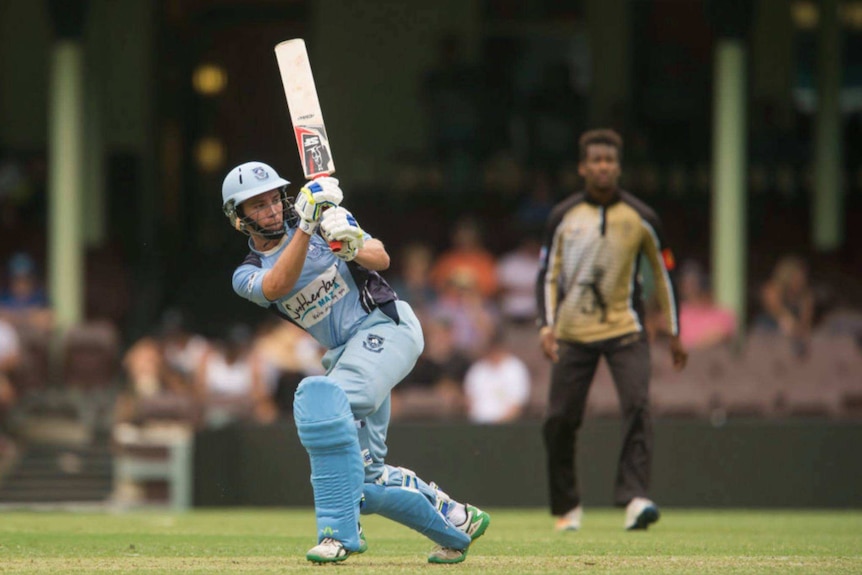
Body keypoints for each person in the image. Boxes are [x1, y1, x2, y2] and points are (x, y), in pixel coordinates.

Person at [221, 161, 489, 564]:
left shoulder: (322, 218)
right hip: (349, 354)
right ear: (239, 219)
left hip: (388, 326)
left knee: (320, 401)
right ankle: (455, 520)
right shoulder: (247, 273)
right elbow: (278, 284)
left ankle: (337, 535)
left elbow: (380, 258)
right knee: (363, 483)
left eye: (275, 199)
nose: (273, 210)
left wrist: (349, 244)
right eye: (258, 206)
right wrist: (311, 227)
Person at [536, 129, 687, 532]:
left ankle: (635, 500)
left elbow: (664, 274)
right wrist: (546, 326)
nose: (603, 166)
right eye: (596, 160)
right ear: (583, 167)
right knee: (559, 420)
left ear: (618, 167)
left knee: (637, 405)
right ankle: (567, 509)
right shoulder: (563, 217)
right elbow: (547, 275)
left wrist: (674, 331)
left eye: (610, 160)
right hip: (572, 332)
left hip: (626, 329)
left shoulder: (641, 218)